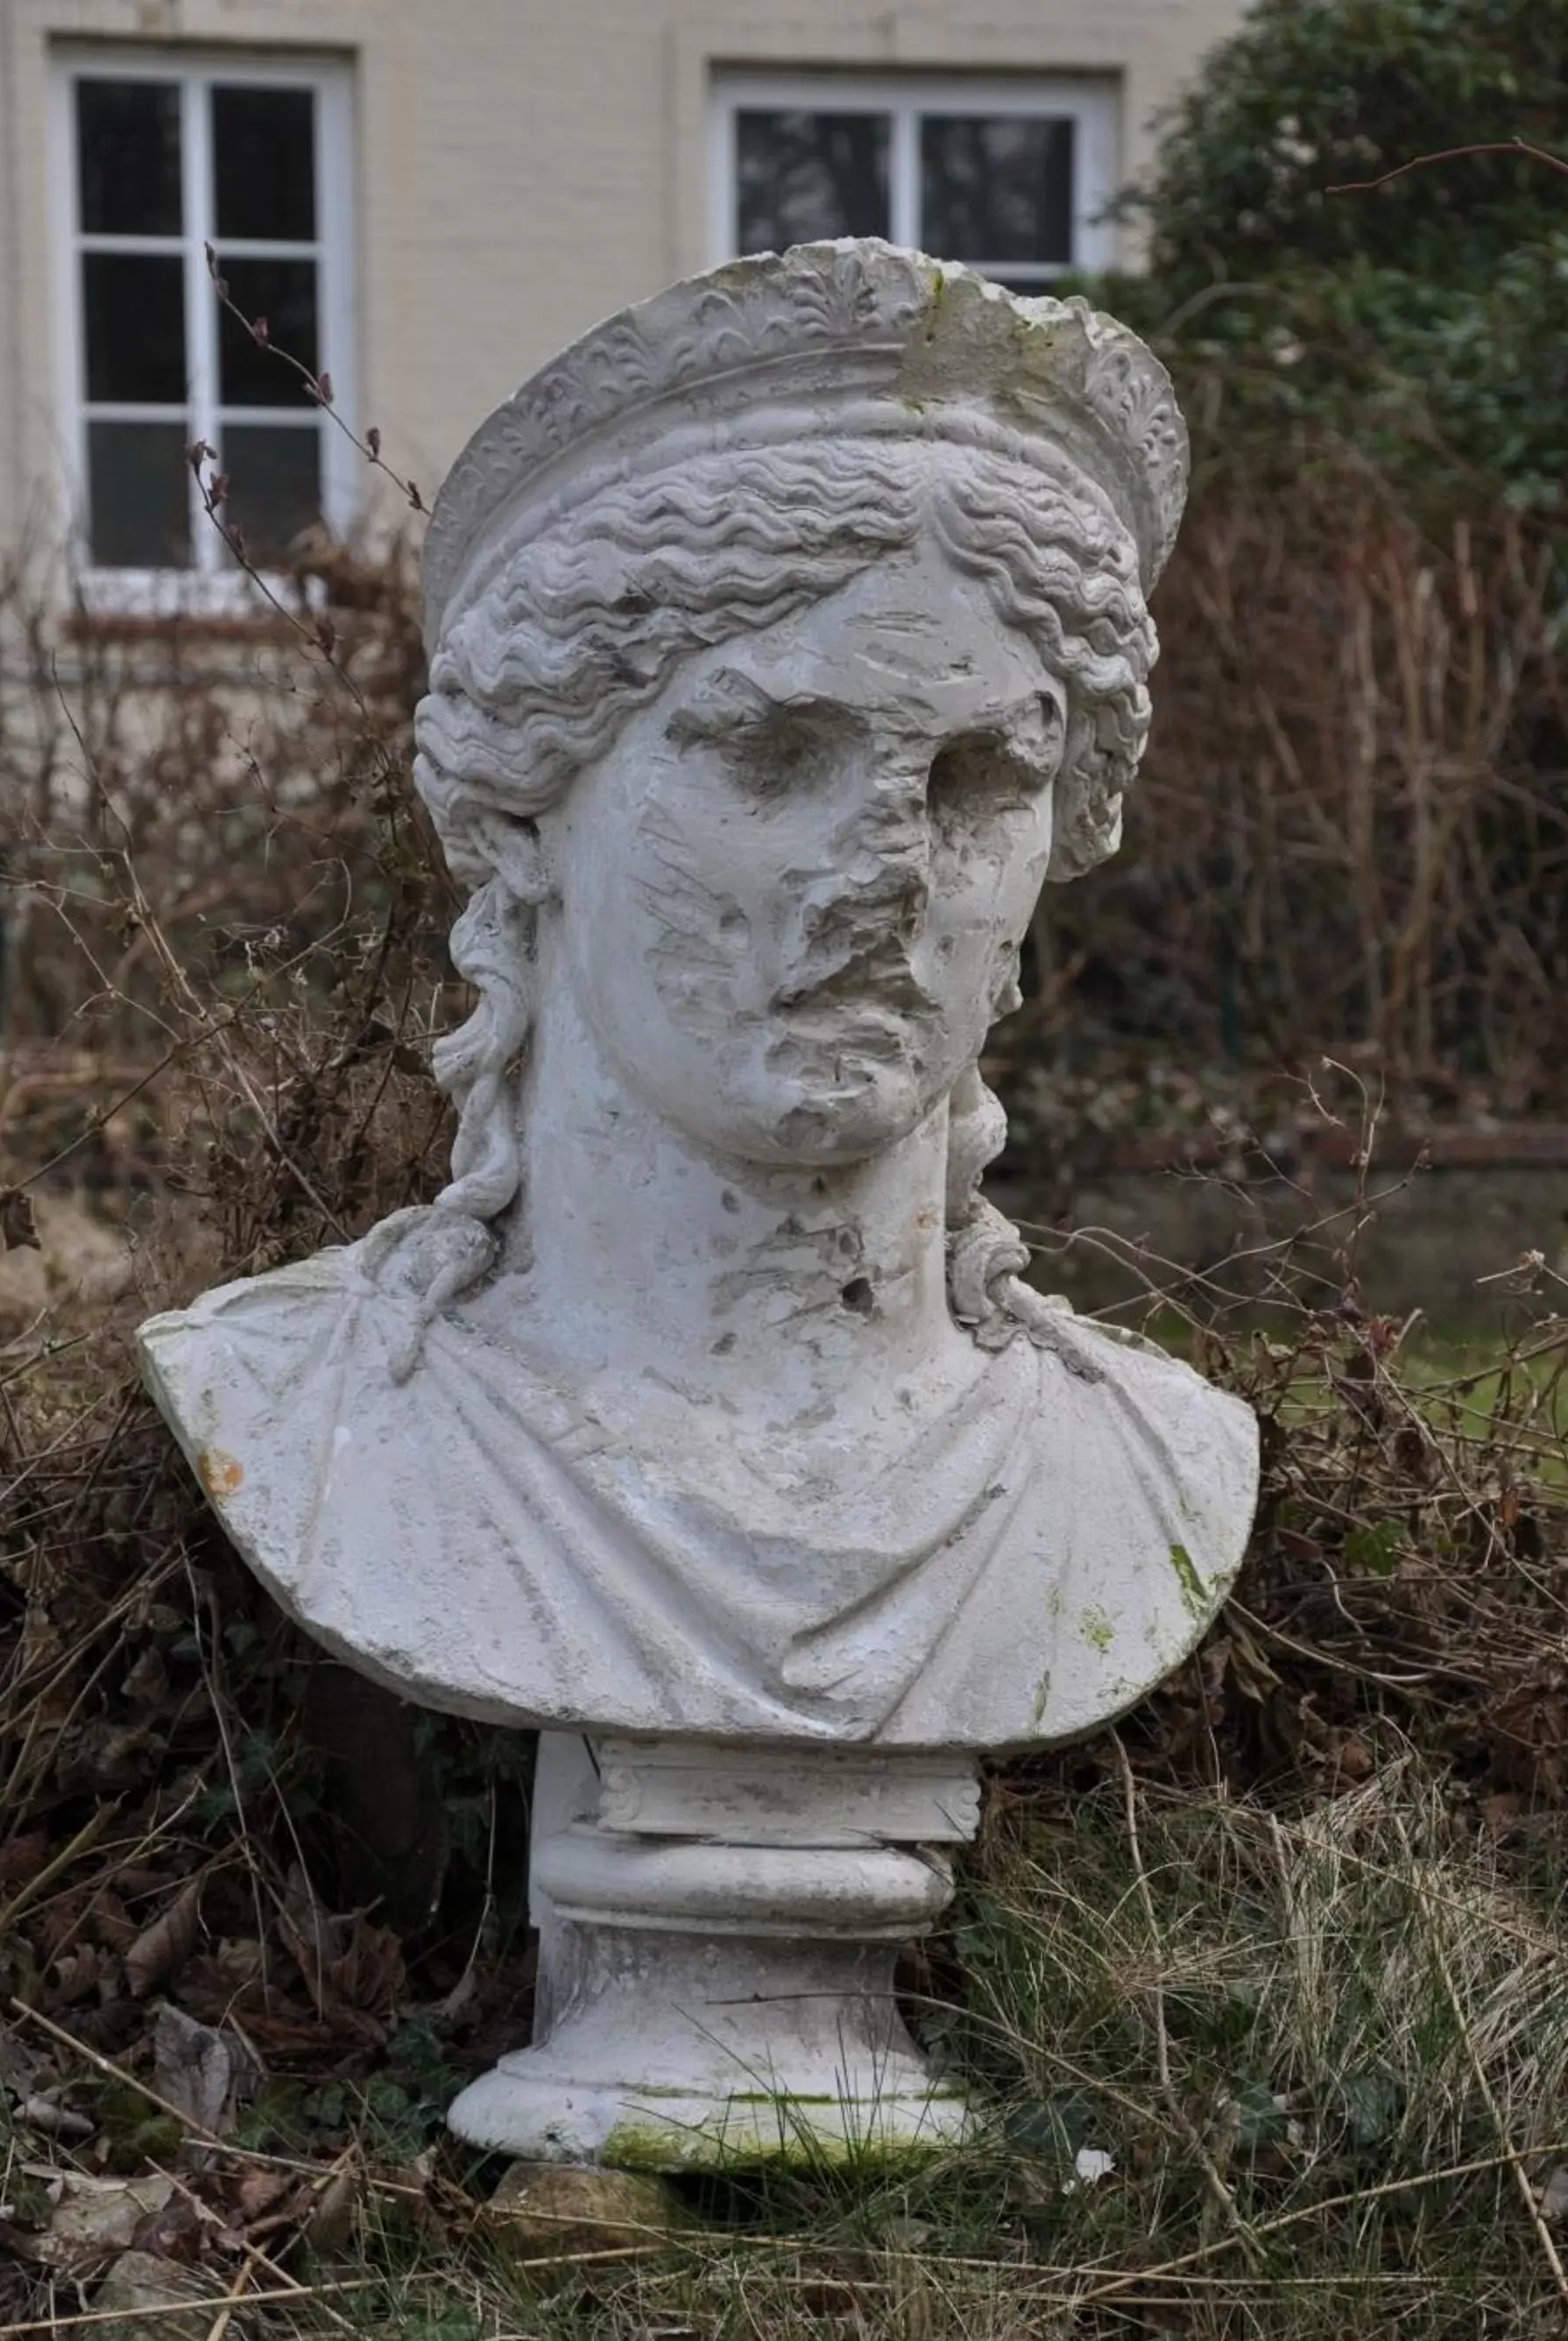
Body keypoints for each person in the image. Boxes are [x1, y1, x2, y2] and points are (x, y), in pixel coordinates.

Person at [139, 239, 1257, 1750]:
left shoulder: (1144, 1470)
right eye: (772, 755)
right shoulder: (306, 1417)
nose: (883, 874)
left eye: (980, 780)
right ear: (533, 807)